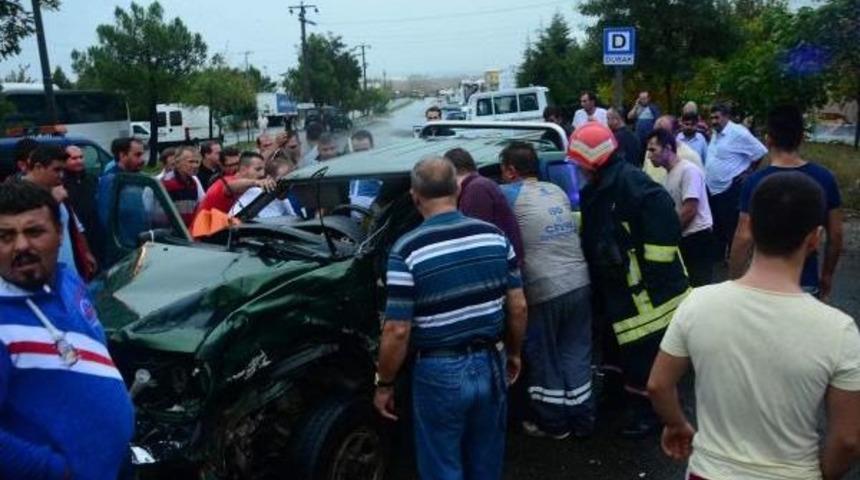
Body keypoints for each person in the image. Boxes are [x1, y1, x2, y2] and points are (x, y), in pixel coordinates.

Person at [648, 172, 860, 480]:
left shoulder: (698, 303)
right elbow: (848, 440)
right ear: (815, 238)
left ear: (750, 228)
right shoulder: (839, 330)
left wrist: (677, 424)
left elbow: (658, 385)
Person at [374, 156, 527, 480]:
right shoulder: (495, 237)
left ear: (415, 196)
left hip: (438, 372)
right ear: (457, 190)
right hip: (491, 362)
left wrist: (384, 383)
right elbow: (518, 307)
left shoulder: (406, 250)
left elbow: (398, 329)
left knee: (442, 466)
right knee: (486, 463)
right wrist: (514, 353)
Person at [0, 181, 135, 480]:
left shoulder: (69, 281)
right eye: (5, 236)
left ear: (60, 234)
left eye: (34, 232)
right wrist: (54, 470)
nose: (20, 246)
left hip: (114, 463)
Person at [570, 122, 689, 438]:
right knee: (615, 346)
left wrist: (651, 271)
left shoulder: (632, 183)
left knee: (641, 352)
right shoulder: (600, 187)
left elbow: (664, 225)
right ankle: (617, 396)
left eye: (579, 165)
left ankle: (651, 413)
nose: (577, 170)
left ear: (592, 163)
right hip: (618, 288)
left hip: (645, 292)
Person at [499, 142, 594, 439]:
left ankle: (555, 424)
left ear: (510, 170)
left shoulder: (506, 194)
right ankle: (583, 419)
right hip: (579, 281)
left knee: (546, 356)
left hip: (543, 287)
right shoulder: (557, 191)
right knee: (576, 351)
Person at [730, 105, 843, 299]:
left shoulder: (755, 182)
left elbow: (744, 237)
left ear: (768, 139)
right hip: (805, 282)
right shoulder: (825, 178)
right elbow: (836, 235)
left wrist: (735, 281)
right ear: (802, 138)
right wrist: (827, 275)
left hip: (762, 284)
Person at [646, 130, 715, 286]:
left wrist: (668, 234)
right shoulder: (668, 175)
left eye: (653, 150)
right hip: (684, 238)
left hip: (697, 239)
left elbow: (690, 209)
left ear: (668, 148)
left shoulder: (688, 170)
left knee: (699, 286)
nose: (649, 156)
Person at [23, 145, 96, 281]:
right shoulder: (17, 195)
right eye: (56, 170)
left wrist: (86, 252)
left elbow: (74, 224)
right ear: (38, 167)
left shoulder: (56, 190)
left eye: (63, 170)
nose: (61, 175)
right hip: (43, 276)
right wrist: (52, 202)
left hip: (69, 272)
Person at [705, 103, 767, 259]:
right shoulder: (716, 132)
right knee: (717, 224)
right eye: (711, 118)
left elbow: (760, 151)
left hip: (730, 187)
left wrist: (749, 171)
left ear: (726, 117)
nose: (713, 121)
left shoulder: (738, 133)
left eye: (717, 118)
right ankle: (718, 257)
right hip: (713, 188)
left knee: (731, 225)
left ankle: (736, 258)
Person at [444, 147, 524, 264]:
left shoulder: (476, 189)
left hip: (500, 264)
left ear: (450, 175)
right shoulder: (481, 184)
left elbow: (475, 240)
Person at [198, 151, 274, 215]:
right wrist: (256, 182)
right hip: (204, 227)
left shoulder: (250, 186)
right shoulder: (225, 182)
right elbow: (230, 186)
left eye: (263, 169)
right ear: (243, 170)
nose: (262, 173)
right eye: (258, 169)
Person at [63, 145, 102, 266]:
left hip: (95, 233)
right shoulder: (62, 183)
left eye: (81, 157)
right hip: (76, 236)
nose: (79, 161)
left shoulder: (91, 179)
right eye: (74, 158)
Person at [644, 115, 704, 184]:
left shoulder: (691, 156)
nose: (655, 138)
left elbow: (699, 184)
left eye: (662, 134)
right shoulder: (651, 151)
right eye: (654, 133)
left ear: (675, 133)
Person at [161, 146, 205, 227]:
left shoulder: (193, 183)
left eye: (197, 162)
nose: (195, 165)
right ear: (177, 163)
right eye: (191, 162)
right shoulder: (167, 183)